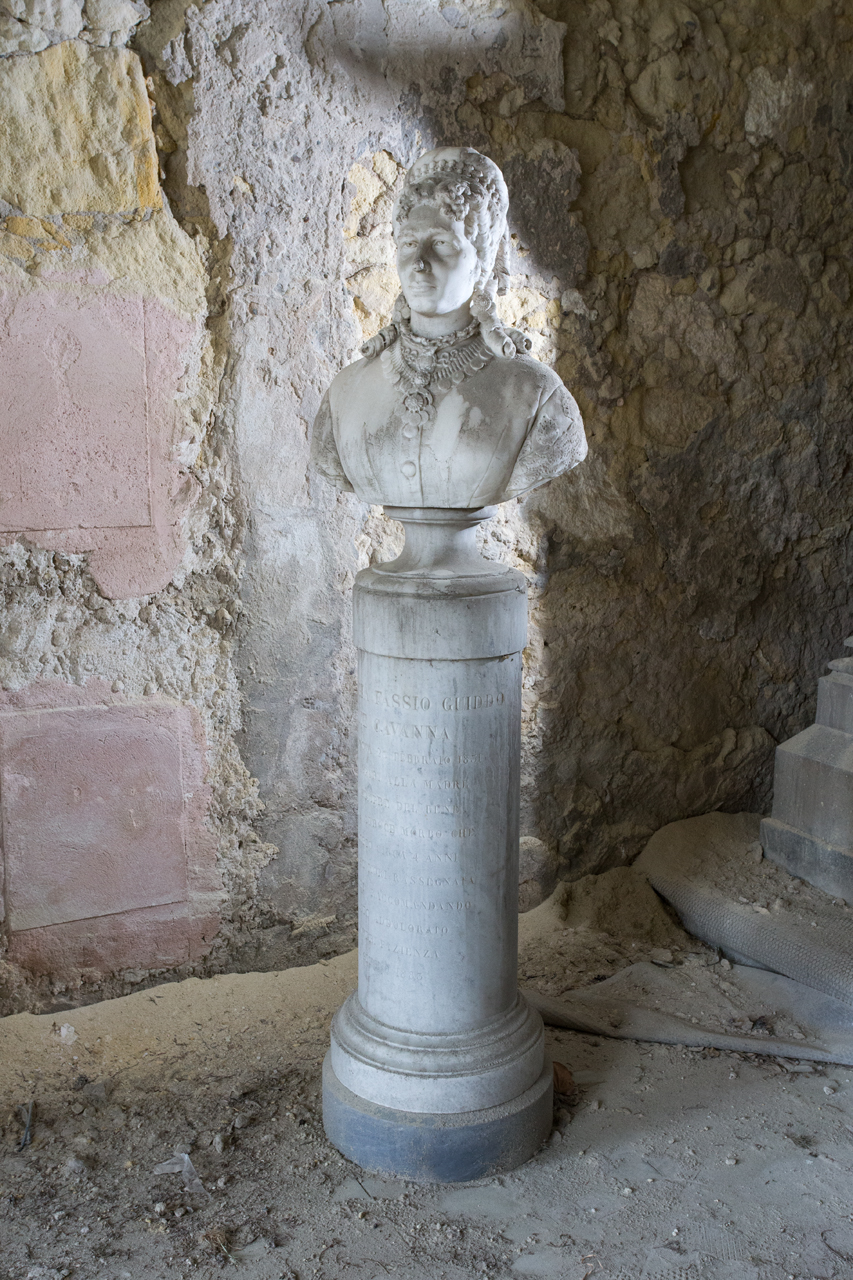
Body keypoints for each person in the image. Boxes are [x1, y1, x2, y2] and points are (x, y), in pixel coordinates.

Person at [311, 146, 586, 510]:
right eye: (409, 243)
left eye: (441, 243)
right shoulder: (345, 392)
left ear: (482, 261)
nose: (419, 263)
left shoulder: (535, 394)